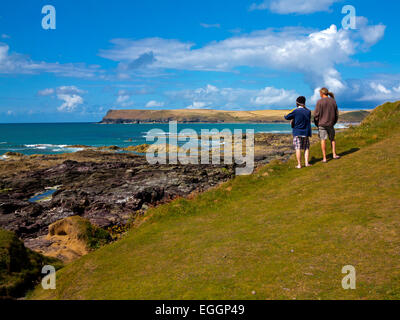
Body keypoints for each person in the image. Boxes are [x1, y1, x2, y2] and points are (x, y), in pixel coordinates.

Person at [284, 96, 312, 169]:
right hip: (306, 132)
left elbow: (287, 117)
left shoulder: (295, 111)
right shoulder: (308, 111)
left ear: (297, 103)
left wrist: (286, 114)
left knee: (298, 148)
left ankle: (299, 164)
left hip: (297, 132)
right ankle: (306, 163)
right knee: (306, 148)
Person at [314, 87, 340, 163]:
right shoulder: (333, 101)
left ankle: (324, 158)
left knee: (323, 140)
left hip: (321, 124)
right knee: (332, 139)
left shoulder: (319, 102)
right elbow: (336, 114)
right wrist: (333, 122)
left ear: (321, 93)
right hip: (330, 123)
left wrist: (317, 123)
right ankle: (334, 154)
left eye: (319, 93)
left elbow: (316, 115)